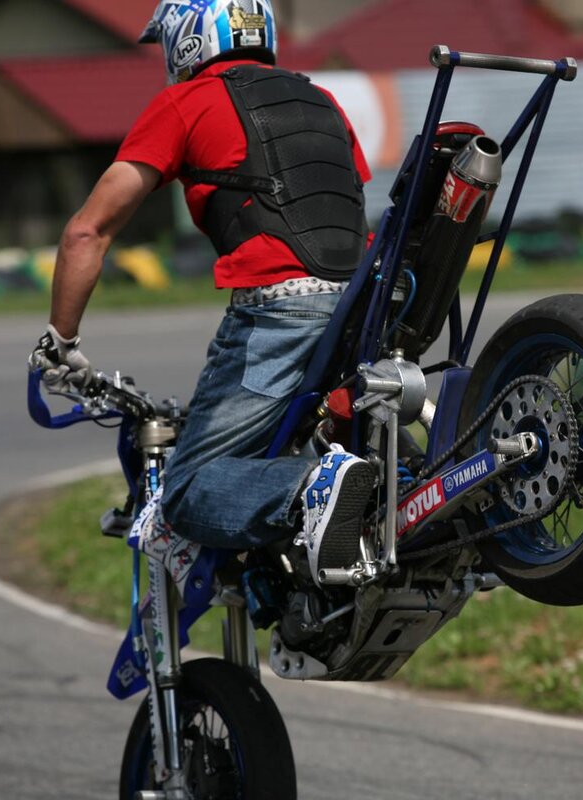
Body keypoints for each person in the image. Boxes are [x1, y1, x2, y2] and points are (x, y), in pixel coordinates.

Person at [29, 0, 376, 584]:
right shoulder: (321, 100)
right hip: (364, 303)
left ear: (186, 39)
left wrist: (60, 345)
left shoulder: (185, 101)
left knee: (189, 490)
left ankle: (314, 485)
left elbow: (87, 231)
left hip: (280, 311)